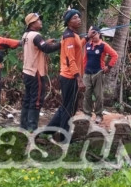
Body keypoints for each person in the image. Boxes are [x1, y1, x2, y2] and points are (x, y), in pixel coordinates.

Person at [46, 9, 85, 141]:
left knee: (69, 107)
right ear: (68, 21)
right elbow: (70, 59)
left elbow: (77, 47)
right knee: (68, 109)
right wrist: (78, 78)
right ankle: (63, 137)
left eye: (78, 16)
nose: (78, 19)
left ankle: (48, 132)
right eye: (75, 17)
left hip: (71, 76)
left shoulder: (73, 35)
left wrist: (88, 38)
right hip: (70, 77)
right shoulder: (68, 36)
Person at [20, 12, 60, 131]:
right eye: (38, 20)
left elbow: (37, 47)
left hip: (27, 71)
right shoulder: (36, 36)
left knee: (27, 99)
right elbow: (46, 49)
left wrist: (45, 42)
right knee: (36, 100)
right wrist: (61, 44)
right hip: (35, 72)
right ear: (32, 23)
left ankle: (23, 126)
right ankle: (32, 128)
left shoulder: (26, 35)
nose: (40, 22)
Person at [82, 26, 118, 124]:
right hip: (87, 73)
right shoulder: (88, 44)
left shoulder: (103, 45)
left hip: (98, 72)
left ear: (98, 33)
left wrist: (109, 67)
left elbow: (115, 55)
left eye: (94, 33)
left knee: (98, 95)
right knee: (87, 94)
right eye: (91, 34)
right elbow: (85, 58)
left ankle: (98, 115)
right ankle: (87, 114)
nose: (92, 36)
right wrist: (83, 70)